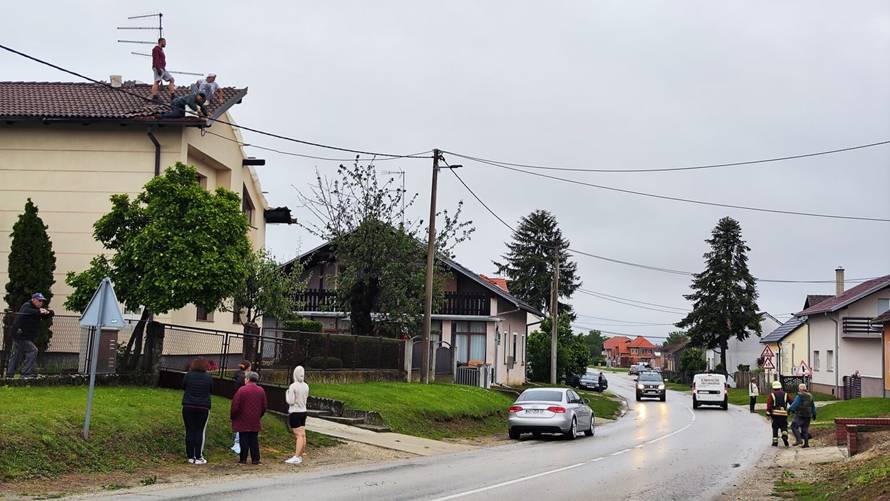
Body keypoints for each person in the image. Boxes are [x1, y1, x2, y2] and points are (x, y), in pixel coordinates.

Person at [5, 293, 54, 378]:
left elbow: (48, 315)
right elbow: (28, 312)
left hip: (24, 336)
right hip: (19, 335)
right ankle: (25, 374)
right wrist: (40, 311)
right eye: (39, 300)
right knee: (33, 350)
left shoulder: (37, 310)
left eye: (42, 301)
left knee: (16, 354)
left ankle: (10, 375)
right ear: (33, 300)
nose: (41, 303)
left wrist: (48, 312)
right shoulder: (27, 306)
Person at [230, 371, 267, 465]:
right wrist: (259, 415)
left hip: (243, 418)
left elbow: (235, 405)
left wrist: (233, 416)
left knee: (243, 438)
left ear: (247, 379)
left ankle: (243, 459)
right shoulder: (261, 390)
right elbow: (264, 406)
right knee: (254, 439)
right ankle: (256, 459)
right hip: (255, 419)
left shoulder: (242, 390)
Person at [182, 357, 213, 464]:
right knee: (200, 431)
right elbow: (211, 389)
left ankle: (190, 456)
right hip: (203, 407)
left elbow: (184, 386)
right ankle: (199, 456)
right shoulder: (208, 377)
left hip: (188, 406)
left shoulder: (188, 375)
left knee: (189, 430)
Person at [284, 365, 309, 465]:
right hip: (303, 411)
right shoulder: (306, 386)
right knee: (302, 434)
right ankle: (300, 454)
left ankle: (296, 456)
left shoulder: (293, 386)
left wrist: (287, 394)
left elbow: (290, 401)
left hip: (295, 412)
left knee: (298, 435)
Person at [231, 360, 252, 454]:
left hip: (238, 401)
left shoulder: (238, 376)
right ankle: (238, 442)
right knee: (243, 423)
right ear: (248, 367)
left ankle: (238, 442)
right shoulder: (244, 378)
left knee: (240, 422)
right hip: (244, 402)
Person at [789, 383, 816, 448]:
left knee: (794, 426)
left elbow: (795, 404)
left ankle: (799, 440)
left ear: (800, 389)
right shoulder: (810, 396)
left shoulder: (799, 395)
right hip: (808, 415)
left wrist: (790, 409)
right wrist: (814, 414)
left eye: (799, 388)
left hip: (800, 414)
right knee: (805, 429)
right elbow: (813, 406)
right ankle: (806, 444)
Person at [766, 380, 791, 447]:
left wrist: (768, 413)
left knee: (775, 427)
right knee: (784, 426)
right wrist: (790, 410)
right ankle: (785, 436)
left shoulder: (772, 395)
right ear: (780, 387)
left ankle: (775, 442)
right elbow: (792, 402)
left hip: (775, 415)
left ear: (773, 388)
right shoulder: (785, 394)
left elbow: (769, 405)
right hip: (784, 414)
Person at [151, 37, 175, 102]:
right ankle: (154, 96)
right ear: (161, 42)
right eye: (164, 42)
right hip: (158, 67)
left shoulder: (161, 50)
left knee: (171, 79)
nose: (165, 44)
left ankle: (172, 95)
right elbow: (156, 59)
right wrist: (158, 69)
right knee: (157, 81)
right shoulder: (156, 49)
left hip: (163, 68)